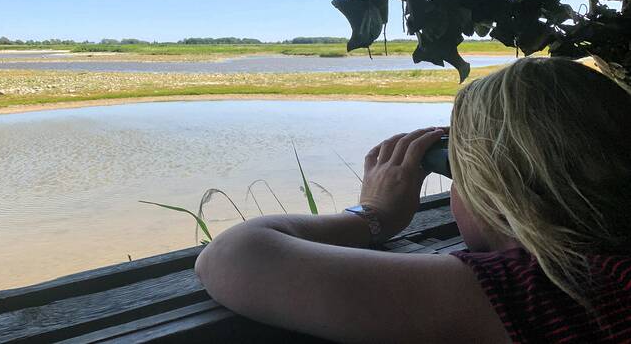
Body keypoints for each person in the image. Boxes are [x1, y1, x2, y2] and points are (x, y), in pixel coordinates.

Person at [195, 57, 631, 343]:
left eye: (457, 174)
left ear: (501, 197)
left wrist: (373, 214)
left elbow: (233, 257)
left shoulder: (561, 292)